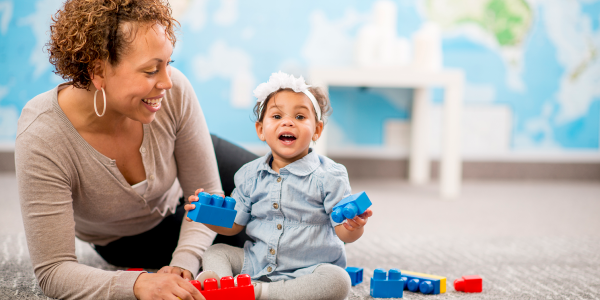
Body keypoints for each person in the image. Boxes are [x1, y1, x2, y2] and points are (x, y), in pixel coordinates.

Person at [15, 0, 255, 299]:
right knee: (263, 242)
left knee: (289, 190)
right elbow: (54, 271)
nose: (168, 82)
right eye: (151, 70)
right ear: (97, 70)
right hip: (134, 234)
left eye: (169, 64)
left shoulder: (174, 91)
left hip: (191, 170)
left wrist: (186, 260)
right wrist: (140, 283)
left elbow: (208, 194)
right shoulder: (43, 135)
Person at [185, 72, 374, 300]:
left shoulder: (330, 175)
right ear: (261, 130)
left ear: (317, 130)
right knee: (217, 251)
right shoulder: (248, 175)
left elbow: (343, 234)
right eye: (276, 116)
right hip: (258, 261)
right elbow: (234, 225)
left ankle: (258, 292)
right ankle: (219, 285)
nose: (288, 122)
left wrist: (354, 226)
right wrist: (206, 216)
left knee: (338, 280)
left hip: (309, 269)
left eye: (300, 117)